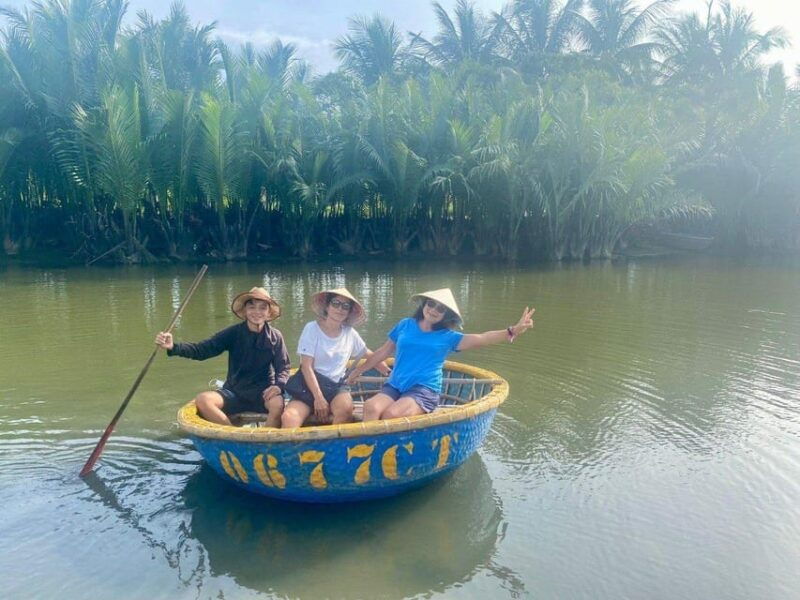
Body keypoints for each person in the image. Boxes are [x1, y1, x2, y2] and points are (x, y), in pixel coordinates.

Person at [346, 288, 534, 421]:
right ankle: (372, 457)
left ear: (446, 315)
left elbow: (482, 338)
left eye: (440, 308)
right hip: (396, 384)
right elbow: (383, 351)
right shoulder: (405, 325)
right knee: (371, 408)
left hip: (424, 389)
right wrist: (357, 371)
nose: (434, 310)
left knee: (392, 415)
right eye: (431, 304)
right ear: (424, 305)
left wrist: (512, 330)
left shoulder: (448, 337)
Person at [155, 287, 290, 427]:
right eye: (252, 307)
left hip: (264, 392)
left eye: (262, 308)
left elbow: (283, 367)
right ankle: (235, 435)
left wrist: (279, 386)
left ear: (268, 313)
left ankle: (265, 442)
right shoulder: (232, 333)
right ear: (244, 311)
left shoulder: (276, 336)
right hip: (235, 392)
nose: (257, 312)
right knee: (203, 400)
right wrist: (173, 347)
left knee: (278, 405)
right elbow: (202, 350)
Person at [281, 288, 389, 428]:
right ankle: (296, 449)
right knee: (289, 417)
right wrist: (318, 398)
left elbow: (369, 355)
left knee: (345, 410)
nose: (340, 309)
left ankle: (332, 447)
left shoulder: (350, 333)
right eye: (336, 303)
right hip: (309, 387)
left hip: (336, 387)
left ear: (349, 312)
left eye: (345, 306)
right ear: (327, 305)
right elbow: (306, 366)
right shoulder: (312, 329)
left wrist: (388, 372)